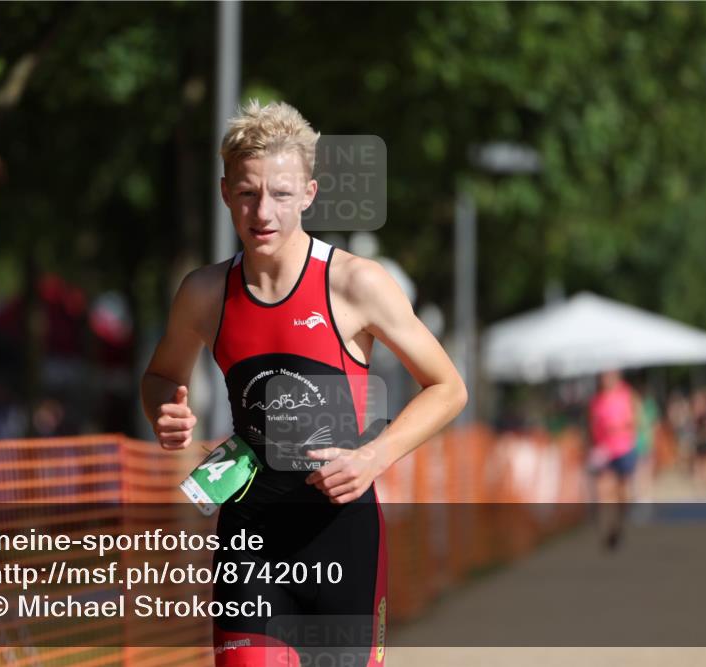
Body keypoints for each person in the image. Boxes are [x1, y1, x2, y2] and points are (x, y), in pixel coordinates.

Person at [141, 100, 466, 666]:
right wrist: (163, 409)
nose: (263, 211)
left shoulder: (355, 284)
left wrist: (374, 456)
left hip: (340, 537)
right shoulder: (204, 292)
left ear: (309, 195)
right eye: (247, 193)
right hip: (250, 536)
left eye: (282, 195)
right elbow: (162, 375)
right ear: (225, 194)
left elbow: (447, 387)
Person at [588, 369, 636, 550]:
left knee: (622, 493)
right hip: (604, 452)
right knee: (604, 491)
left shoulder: (626, 395)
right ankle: (606, 529)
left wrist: (618, 428)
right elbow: (592, 426)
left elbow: (634, 421)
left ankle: (618, 526)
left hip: (623, 448)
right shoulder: (596, 401)